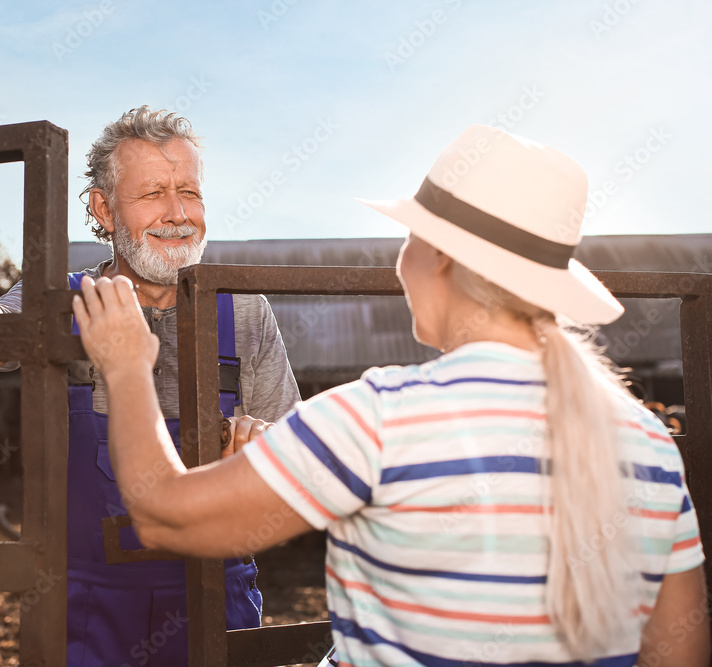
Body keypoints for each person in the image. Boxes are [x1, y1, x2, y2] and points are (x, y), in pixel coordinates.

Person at [72, 125, 710, 666]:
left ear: (435, 259)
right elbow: (680, 648)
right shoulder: (647, 442)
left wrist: (128, 365)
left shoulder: (376, 418)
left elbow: (160, 512)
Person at [0, 106, 301, 666]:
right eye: (153, 193)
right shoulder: (65, 302)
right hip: (84, 609)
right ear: (103, 209)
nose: (178, 214)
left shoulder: (245, 311)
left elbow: (296, 452)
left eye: (190, 192)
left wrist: (263, 447)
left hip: (215, 596)